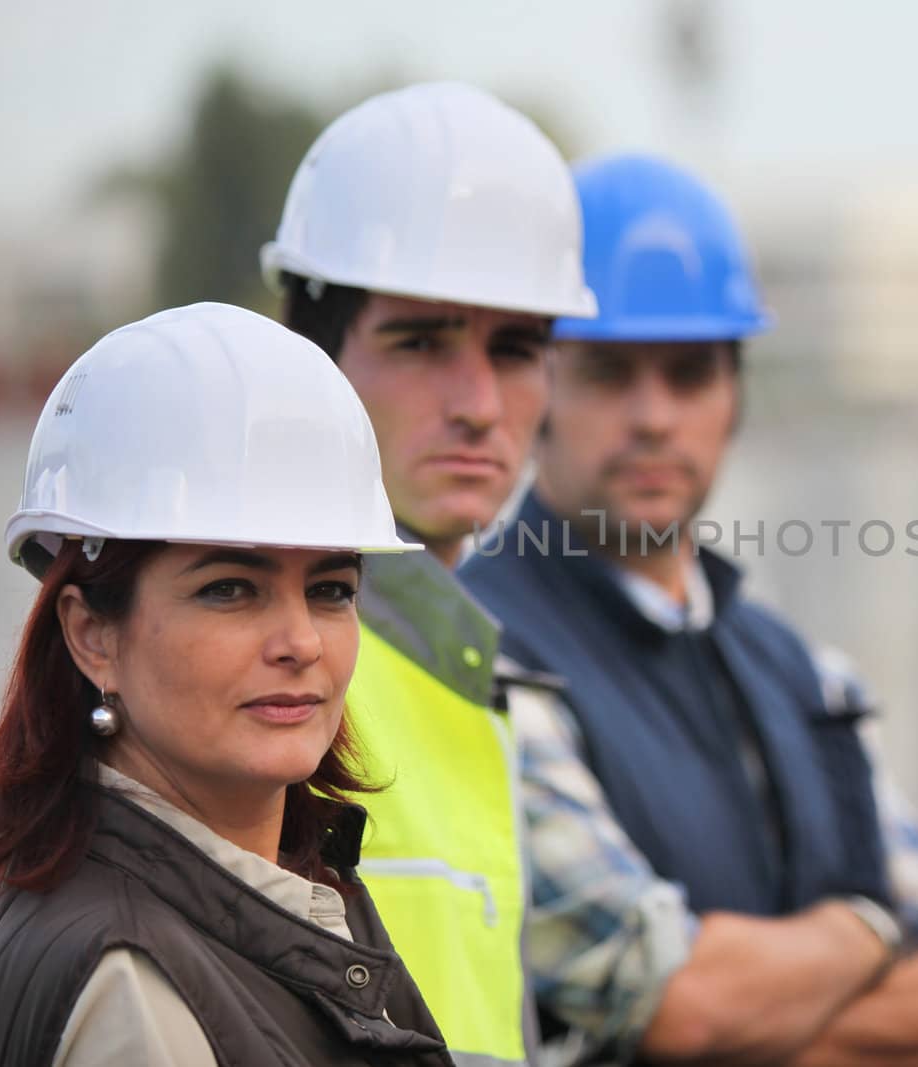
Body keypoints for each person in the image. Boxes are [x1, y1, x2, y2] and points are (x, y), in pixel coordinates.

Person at [459, 155, 918, 1065]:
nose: (653, 417)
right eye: (608, 371)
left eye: (690, 374)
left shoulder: (804, 675)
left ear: (736, 398)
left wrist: (764, 1022)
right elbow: (687, 1006)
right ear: (537, 389)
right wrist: (869, 933)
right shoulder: (479, 653)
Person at [0, 303, 453, 1066]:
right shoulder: (130, 990)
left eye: (332, 590)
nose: (301, 641)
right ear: (91, 634)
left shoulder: (295, 880)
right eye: (229, 589)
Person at [261, 82, 596, 1067]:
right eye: (421, 342)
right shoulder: (242, 668)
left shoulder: (474, 675)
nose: (480, 403)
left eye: (516, 349)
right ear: (314, 353)